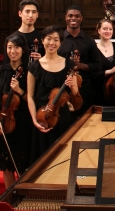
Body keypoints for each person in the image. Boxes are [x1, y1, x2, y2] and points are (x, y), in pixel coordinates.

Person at [28, 25, 82, 163]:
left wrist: (72, 86)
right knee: (41, 159)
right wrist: (34, 120)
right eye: (49, 39)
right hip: (41, 115)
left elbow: (76, 96)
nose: (52, 43)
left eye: (56, 40)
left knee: (61, 159)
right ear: (42, 40)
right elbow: (30, 96)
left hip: (62, 116)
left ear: (60, 43)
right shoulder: (34, 66)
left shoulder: (68, 64)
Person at [0, 33, 32, 188]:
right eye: (9, 47)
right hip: (4, 120)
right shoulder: (0, 70)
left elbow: (31, 99)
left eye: (16, 47)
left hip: (23, 121)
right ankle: (9, 197)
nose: (12, 51)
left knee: (23, 161)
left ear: (22, 50)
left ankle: (22, 197)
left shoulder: (29, 71)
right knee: (6, 163)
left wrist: (19, 90)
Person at [57, 5, 101, 111]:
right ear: (65, 17)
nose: (73, 18)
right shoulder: (58, 39)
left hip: (84, 88)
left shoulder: (89, 41)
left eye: (77, 16)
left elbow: (98, 66)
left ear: (81, 18)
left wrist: (80, 66)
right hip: (62, 87)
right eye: (70, 15)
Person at [3, 0, 44, 65]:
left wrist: (42, 60)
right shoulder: (10, 38)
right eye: (27, 11)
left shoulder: (42, 37)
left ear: (37, 14)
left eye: (33, 12)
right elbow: (6, 64)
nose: (30, 15)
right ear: (20, 13)